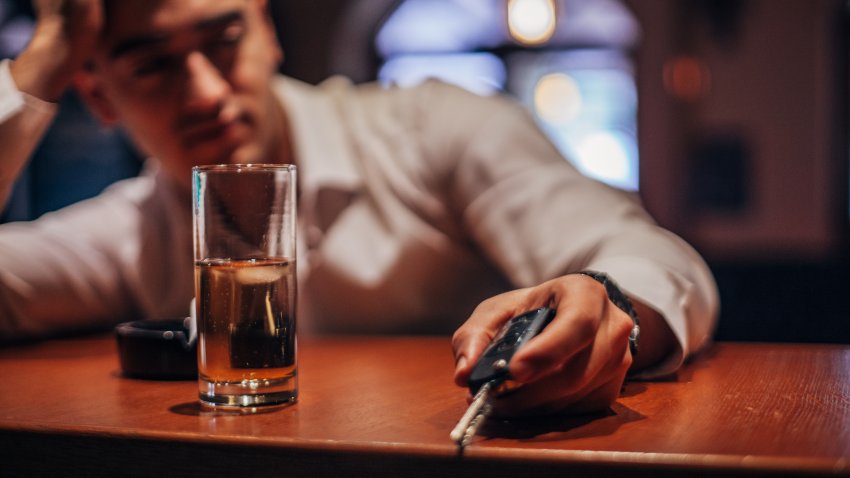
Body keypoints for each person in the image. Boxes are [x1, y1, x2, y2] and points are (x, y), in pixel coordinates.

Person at [0, 0, 718, 416]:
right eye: (153, 64)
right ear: (94, 94)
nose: (206, 93)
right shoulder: (129, 229)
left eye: (224, 41)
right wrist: (38, 67)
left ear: (268, 29)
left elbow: (645, 252)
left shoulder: (435, 126)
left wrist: (608, 304)